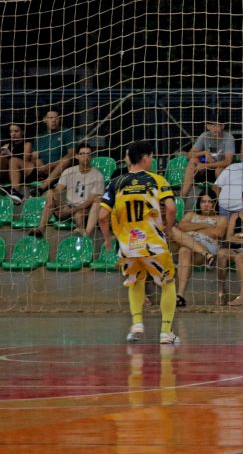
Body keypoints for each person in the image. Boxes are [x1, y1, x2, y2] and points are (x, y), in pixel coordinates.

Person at [99, 141, 180, 345]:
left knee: (135, 281)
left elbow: (101, 216)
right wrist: (169, 230)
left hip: (127, 247)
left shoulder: (115, 183)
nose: (151, 160)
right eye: (151, 157)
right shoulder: (157, 180)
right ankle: (165, 332)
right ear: (145, 158)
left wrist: (108, 238)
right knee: (168, 283)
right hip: (153, 243)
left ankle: (136, 325)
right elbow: (170, 208)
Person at [29, 143, 104, 237]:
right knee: (51, 195)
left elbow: (90, 201)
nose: (86, 156)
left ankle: (83, 234)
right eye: (82, 154)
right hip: (68, 206)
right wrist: (50, 192)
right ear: (76, 156)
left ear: (91, 156)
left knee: (79, 215)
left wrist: (71, 210)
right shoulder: (69, 171)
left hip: (84, 209)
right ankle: (40, 229)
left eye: (88, 154)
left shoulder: (98, 175)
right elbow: (58, 189)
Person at [171, 189, 227, 307]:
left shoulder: (221, 218)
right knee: (176, 237)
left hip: (205, 247)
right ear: (199, 203)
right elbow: (181, 226)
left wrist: (192, 228)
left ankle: (179, 294)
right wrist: (206, 225)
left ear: (214, 203)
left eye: (209, 202)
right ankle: (180, 296)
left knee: (184, 249)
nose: (206, 204)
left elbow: (218, 233)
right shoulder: (190, 214)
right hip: (185, 245)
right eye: (203, 201)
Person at [179, 111, 236, 197]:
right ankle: (182, 197)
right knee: (193, 160)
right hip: (204, 171)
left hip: (220, 172)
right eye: (213, 125)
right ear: (208, 126)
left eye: (218, 125)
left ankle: (217, 203)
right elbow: (189, 154)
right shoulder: (204, 135)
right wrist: (204, 152)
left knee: (219, 169)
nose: (216, 128)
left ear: (223, 126)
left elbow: (228, 162)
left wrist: (205, 165)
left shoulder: (228, 138)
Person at [33, 107, 76, 193]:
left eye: (56, 118)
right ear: (44, 120)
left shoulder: (66, 132)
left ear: (60, 119)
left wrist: (52, 165)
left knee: (66, 160)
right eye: (51, 118)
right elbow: (34, 156)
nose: (54, 120)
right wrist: (40, 165)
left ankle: (42, 188)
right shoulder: (39, 137)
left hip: (61, 167)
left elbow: (72, 154)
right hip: (44, 169)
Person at [0, 121, 33, 204]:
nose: (13, 134)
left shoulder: (27, 144)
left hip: (21, 172)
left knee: (13, 160)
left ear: (22, 132)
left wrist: (10, 156)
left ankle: (15, 191)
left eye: (16, 131)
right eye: (11, 132)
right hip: (7, 173)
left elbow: (25, 160)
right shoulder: (7, 145)